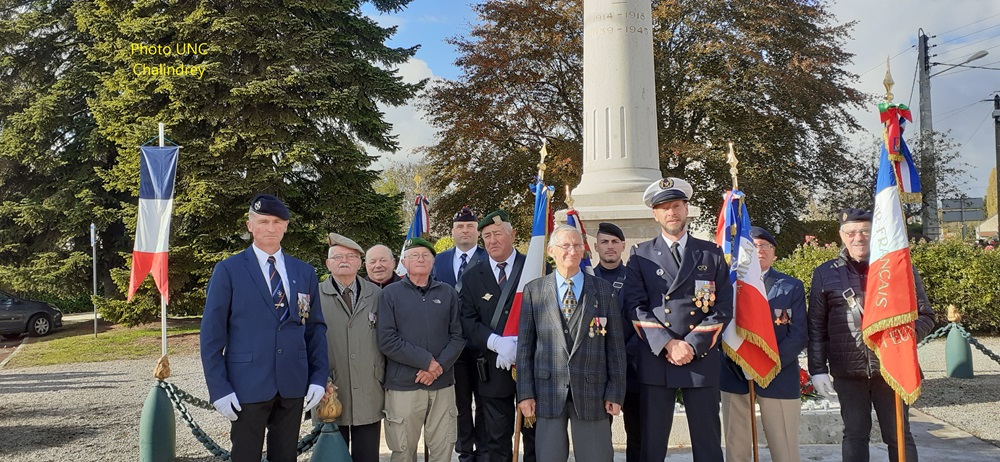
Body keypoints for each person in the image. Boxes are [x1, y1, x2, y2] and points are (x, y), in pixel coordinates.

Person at [200, 194, 329, 462]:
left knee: (285, 457)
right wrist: (219, 389)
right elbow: (212, 336)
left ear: (286, 227)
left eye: (277, 222)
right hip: (247, 385)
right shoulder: (229, 270)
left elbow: (314, 329)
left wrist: (317, 377)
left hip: (292, 384)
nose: (270, 228)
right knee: (245, 456)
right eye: (263, 221)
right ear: (250, 226)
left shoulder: (304, 272)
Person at [807, 208, 935, 462]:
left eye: (865, 231)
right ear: (841, 235)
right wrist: (818, 368)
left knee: (899, 436)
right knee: (854, 435)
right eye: (851, 232)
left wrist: (902, 341)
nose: (858, 238)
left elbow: (926, 316)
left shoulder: (899, 269)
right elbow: (816, 327)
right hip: (848, 371)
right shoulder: (824, 273)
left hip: (892, 369)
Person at [621, 178, 733, 462]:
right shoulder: (640, 255)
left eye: (676, 206)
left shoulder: (711, 253)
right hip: (657, 358)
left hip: (701, 358)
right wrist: (669, 344)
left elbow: (722, 307)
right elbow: (635, 307)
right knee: (652, 445)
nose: (671, 212)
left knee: (708, 445)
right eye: (664, 208)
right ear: (655, 214)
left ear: (686, 209)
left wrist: (692, 345)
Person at [516, 225, 626, 462]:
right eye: (565, 245)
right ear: (551, 251)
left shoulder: (603, 291)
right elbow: (524, 349)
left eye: (577, 245)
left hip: (593, 392)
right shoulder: (534, 291)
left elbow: (615, 348)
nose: (572, 251)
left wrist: (615, 393)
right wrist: (525, 394)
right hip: (547, 394)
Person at [719, 226, 807, 462]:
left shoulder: (791, 286)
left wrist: (766, 363)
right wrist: (737, 359)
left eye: (764, 246)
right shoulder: (728, 286)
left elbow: (798, 334)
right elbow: (719, 327)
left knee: (784, 448)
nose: (759, 251)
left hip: (778, 373)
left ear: (773, 253)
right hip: (735, 373)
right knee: (736, 448)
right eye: (753, 246)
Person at [378, 237, 467, 462]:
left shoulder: (447, 293)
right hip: (403, 387)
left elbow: (458, 336)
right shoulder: (389, 294)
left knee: (443, 450)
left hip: (442, 385)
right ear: (404, 263)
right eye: (414, 256)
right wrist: (426, 362)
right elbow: (387, 339)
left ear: (433, 262)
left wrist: (437, 368)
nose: (420, 259)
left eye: (425, 255)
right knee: (403, 452)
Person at [459, 210, 535, 462]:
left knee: (534, 436)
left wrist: (520, 344)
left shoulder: (534, 267)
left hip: (532, 367)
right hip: (492, 367)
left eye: (498, 233)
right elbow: (467, 320)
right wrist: (496, 343)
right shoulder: (472, 276)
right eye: (487, 236)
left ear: (512, 235)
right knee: (495, 438)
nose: (492, 240)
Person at [316, 232, 384, 462]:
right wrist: (316, 380)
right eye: (337, 257)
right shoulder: (313, 296)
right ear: (327, 263)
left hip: (369, 389)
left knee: (368, 456)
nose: (344, 260)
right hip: (330, 392)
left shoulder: (377, 294)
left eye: (350, 256)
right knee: (332, 455)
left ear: (359, 262)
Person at [431, 206, 489, 462]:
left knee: (486, 401)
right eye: (460, 227)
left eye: (470, 226)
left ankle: (485, 450)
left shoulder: (490, 258)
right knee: (460, 405)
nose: (465, 231)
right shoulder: (438, 260)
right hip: (451, 346)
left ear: (477, 231)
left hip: (483, 344)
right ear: (452, 231)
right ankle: (465, 452)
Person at [593, 222, 641, 462]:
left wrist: (621, 355)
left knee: (637, 435)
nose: (609, 247)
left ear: (623, 245)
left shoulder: (636, 279)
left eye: (614, 242)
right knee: (599, 437)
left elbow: (641, 320)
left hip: (632, 368)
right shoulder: (586, 280)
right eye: (604, 242)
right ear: (595, 247)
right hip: (597, 371)